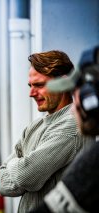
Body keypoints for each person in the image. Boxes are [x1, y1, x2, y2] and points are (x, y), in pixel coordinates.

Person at [0, 50, 95, 212]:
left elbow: (25, 176)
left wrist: (15, 165)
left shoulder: (70, 126)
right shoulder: (34, 127)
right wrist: (22, 167)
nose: (31, 93)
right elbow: (3, 185)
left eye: (39, 85)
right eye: (30, 86)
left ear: (64, 83)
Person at [31, 46, 99, 213]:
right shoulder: (38, 125)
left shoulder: (94, 162)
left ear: (92, 101)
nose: (74, 106)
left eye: (78, 93)